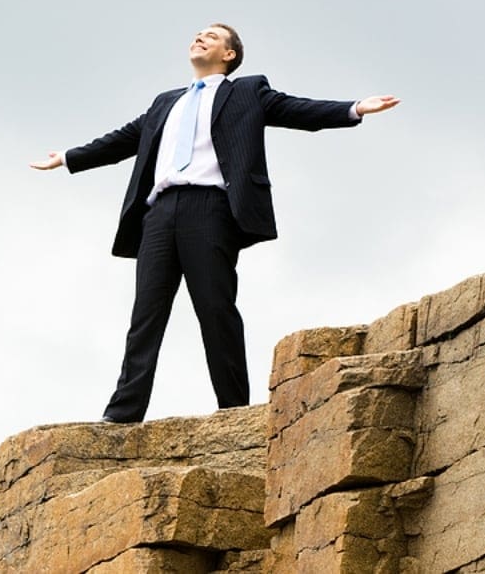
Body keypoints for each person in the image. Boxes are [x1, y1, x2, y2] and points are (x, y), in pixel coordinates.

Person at [29, 23, 399, 423]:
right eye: (197, 34)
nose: (199, 37)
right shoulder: (165, 102)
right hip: (159, 213)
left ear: (229, 55)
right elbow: (121, 140)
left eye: (212, 36)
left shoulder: (247, 91)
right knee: (145, 315)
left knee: (215, 308)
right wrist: (68, 157)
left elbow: (298, 110)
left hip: (210, 209)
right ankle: (123, 412)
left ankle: (234, 410)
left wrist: (355, 108)